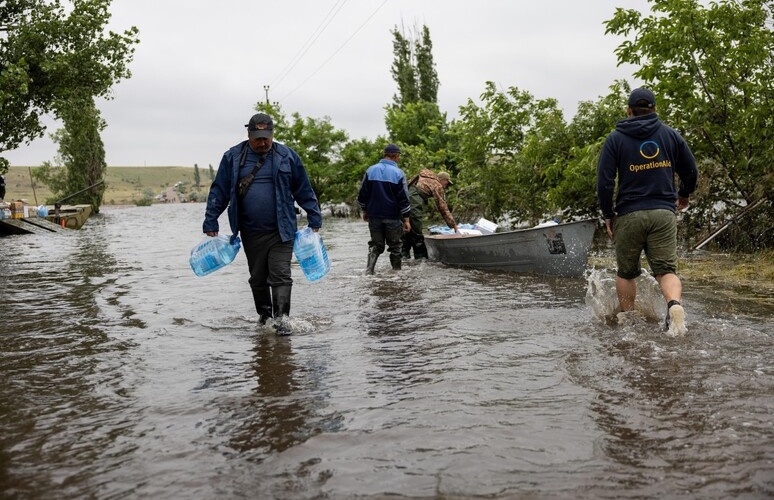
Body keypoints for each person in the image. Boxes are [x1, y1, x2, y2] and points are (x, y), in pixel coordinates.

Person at [202, 113, 322, 335]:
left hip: (282, 229)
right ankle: (265, 317)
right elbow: (219, 190)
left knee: (280, 274)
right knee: (257, 278)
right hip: (250, 230)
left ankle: (283, 320)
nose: (262, 142)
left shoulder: (288, 156)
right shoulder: (233, 157)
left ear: (272, 134)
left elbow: (303, 188)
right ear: (249, 134)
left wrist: (314, 216)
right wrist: (211, 219)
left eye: (266, 137)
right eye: (257, 138)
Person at [597, 87, 698, 335]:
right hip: (663, 213)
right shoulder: (670, 135)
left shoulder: (615, 139)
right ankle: (674, 305)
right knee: (666, 271)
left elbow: (605, 181)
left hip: (629, 214)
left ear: (629, 111)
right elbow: (691, 170)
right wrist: (684, 193)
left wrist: (608, 213)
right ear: (654, 109)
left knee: (627, 272)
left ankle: (629, 323)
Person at [357, 144, 411, 274]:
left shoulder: (370, 170)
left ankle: (369, 272)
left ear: (385, 155)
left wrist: (365, 210)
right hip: (392, 216)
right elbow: (404, 198)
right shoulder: (398, 173)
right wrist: (407, 220)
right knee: (396, 246)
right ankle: (396, 274)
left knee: (375, 245)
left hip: (374, 216)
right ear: (396, 156)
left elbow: (362, 194)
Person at [402, 169, 459, 259]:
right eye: (446, 183)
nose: (445, 186)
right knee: (417, 232)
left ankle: (403, 258)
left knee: (407, 230)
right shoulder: (437, 185)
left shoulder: (420, 177)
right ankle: (421, 260)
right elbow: (442, 207)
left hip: (403, 204)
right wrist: (453, 225)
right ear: (443, 179)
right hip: (413, 204)